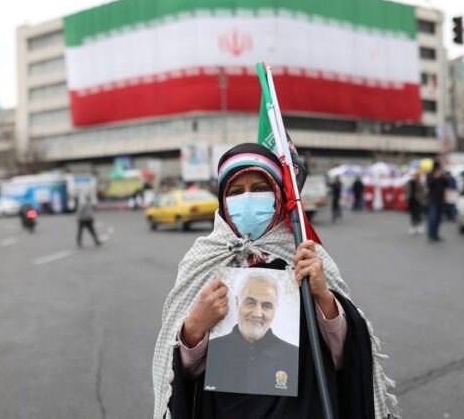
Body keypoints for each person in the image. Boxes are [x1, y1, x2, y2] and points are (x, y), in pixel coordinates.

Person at [152, 143, 398, 419]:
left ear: (279, 194)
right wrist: (194, 328)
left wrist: (323, 299)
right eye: (235, 192)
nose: (247, 199)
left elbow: (344, 359)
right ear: (222, 201)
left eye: (259, 188)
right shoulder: (203, 260)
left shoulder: (305, 255)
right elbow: (182, 374)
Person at [205, 272, 298, 395]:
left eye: (267, 305)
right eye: (250, 302)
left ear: (276, 308)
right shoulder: (212, 349)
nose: (257, 313)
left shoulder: (293, 356)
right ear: (237, 302)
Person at [425, 161, 448, 242]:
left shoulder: (442, 175)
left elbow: (446, 184)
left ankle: (436, 235)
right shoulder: (430, 175)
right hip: (432, 199)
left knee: (439, 218)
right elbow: (429, 184)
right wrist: (435, 177)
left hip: (440, 200)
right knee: (432, 218)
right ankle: (430, 235)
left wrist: (444, 177)